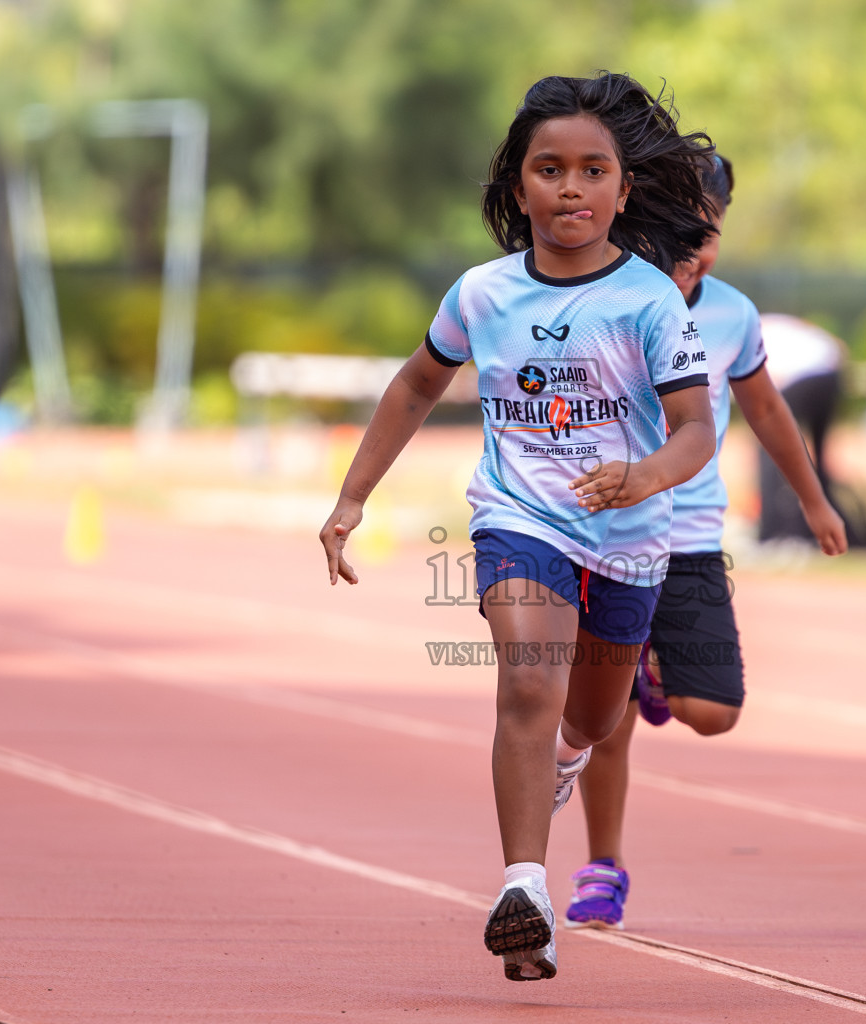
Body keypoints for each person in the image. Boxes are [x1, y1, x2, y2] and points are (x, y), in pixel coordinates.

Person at [318, 72, 718, 982]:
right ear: (516, 186)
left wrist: (642, 477)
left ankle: (565, 765)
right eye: (549, 169)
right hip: (518, 516)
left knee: (592, 716)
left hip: (629, 536)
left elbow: (697, 428)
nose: (569, 188)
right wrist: (353, 497)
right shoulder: (483, 294)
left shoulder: (650, 301)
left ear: (622, 190)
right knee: (528, 686)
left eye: (591, 171)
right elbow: (418, 384)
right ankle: (526, 891)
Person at [566, 154, 847, 931]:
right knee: (604, 723)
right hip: (608, 539)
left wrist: (816, 501)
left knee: (714, 711)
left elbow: (769, 414)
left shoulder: (731, 315)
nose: (695, 243)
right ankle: (603, 867)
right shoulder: (606, 298)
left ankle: (656, 676)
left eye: (710, 229)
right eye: (680, 226)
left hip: (689, 542)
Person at [755, 313, 845, 543]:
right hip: (831, 374)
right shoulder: (779, 322)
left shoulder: (740, 330)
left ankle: (774, 530)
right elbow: (838, 348)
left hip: (798, 377)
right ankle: (830, 519)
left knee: (769, 447)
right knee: (819, 454)